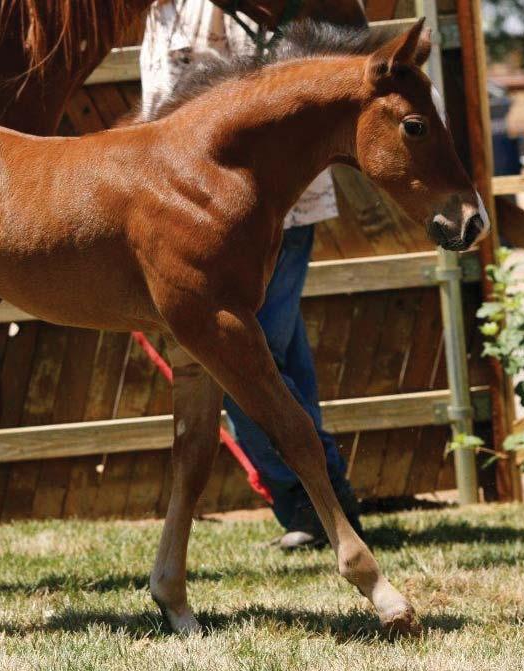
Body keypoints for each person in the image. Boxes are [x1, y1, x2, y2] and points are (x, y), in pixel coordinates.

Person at [140, 0, 365, 549]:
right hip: (195, 221)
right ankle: (326, 503)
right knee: (279, 358)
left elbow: (336, 62)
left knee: (246, 362)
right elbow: (155, 107)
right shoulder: (163, 13)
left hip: (284, 210)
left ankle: (314, 504)